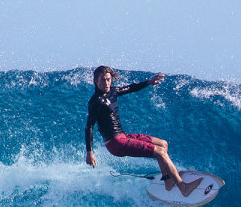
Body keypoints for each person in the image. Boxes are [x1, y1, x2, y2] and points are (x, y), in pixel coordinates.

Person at [84, 66, 202, 197]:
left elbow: (130, 88)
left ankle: (168, 181)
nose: (106, 83)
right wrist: (90, 153)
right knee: (160, 152)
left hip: (123, 136)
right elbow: (89, 127)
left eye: (108, 79)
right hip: (115, 143)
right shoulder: (95, 102)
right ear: (96, 81)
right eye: (103, 80)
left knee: (163, 144)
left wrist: (148, 82)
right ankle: (183, 187)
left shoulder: (112, 91)